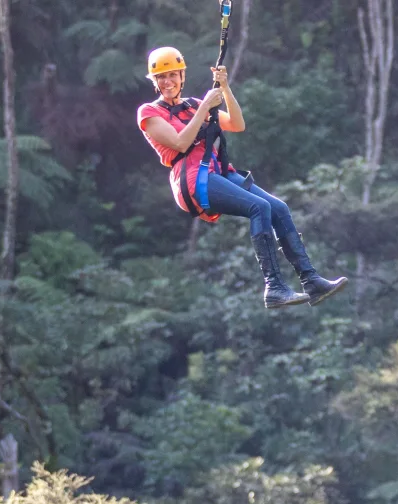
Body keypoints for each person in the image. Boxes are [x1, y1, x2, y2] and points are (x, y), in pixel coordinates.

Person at [136, 46, 347, 308]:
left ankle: (311, 281)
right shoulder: (149, 112)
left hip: (217, 172)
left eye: (172, 75)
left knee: (278, 208)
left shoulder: (193, 105)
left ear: (182, 76)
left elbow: (237, 124)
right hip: (192, 180)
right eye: (161, 78)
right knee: (259, 207)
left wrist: (225, 88)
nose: (167, 82)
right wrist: (206, 108)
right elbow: (180, 142)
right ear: (154, 82)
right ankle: (274, 287)